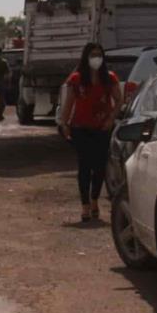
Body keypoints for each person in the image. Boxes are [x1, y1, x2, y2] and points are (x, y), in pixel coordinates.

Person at [58, 42, 122, 222]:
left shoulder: (110, 78)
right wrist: (64, 123)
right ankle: (85, 205)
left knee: (100, 167)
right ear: (86, 57)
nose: (96, 58)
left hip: (102, 128)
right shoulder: (77, 79)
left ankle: (95, 199)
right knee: (84, 166)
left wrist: (110, 119)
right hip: (80, 128)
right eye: (93, 55)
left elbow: (119, 100)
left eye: (99, 55)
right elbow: (69, 103)